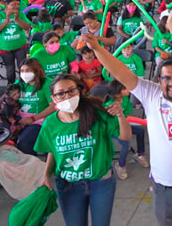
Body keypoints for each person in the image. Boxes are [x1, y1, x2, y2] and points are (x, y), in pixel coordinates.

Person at [82, 29, 172, 226]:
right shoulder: (150, 94)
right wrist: (97, 48)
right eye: (166, 78)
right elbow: (120, 72)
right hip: (163, 189)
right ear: (159, 80)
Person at [36, 73, 130, 226]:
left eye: (71, 91)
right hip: (68, 185)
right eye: (60, 94)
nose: (67, 96)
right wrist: (46, 175)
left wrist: (120, 115)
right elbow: (53, 151)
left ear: (79, 91)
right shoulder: (50, 124)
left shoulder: (97, 113)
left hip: (101, 182)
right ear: (53, 98)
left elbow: (125, 137)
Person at [0, 0, 31, 85]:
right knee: (10, 69)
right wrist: (6, 21)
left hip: (20, 46)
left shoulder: (21, 14)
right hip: (5, 48)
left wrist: (17, 19)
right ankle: (11, 86)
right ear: (6, 5)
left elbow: (27, 27)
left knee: (23, 67)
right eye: (13, 4)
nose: (16, 6)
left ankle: (23, 85)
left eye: (18, 4)